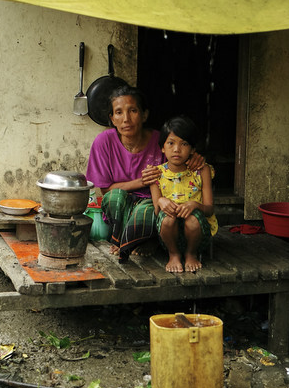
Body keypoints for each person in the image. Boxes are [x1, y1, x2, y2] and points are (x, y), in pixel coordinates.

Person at [86, 86, 205, 263]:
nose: (126, 119)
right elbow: (105, 191)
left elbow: (181, 157)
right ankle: (121, 239)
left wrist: (195, 159)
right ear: (112, 119)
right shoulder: (104, 142)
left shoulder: (161, 141)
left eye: (133, 111)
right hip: (123, 204)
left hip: (153, 203)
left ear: (144, 115)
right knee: (113, 198)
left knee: (147, 210)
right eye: (119, 112)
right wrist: (141, 181)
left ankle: (149, 240)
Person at [150, 115, 218, 273]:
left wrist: (195, 205)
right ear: (162, 147)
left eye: (184, 144)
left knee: (193, 220)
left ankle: (191, 254)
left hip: (198, 235)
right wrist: (160, 201)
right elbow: (156, 211)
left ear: (193, 149)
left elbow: (209, 209)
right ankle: (173, 254)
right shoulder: (156, 174)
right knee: (167, 219)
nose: (176, 149)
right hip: (168, 237)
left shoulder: (202, 170)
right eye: (171, 143)